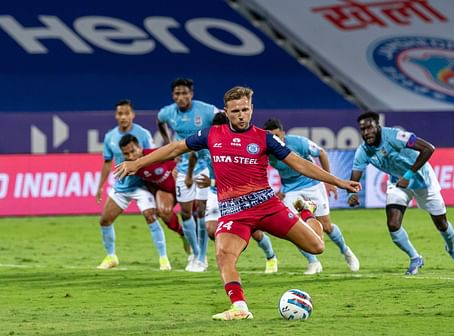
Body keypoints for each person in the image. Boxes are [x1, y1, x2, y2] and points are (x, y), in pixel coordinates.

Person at [114, 86, 361, 320]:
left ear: (251, 108)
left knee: (317, 247)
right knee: (224, 255)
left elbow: (299, 163)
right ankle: (239, 307)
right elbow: (175, 148)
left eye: (245, 109)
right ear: (226, 112)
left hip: (266, 207)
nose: (241, 115)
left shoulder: (265, 139)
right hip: (234, 213)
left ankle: (307, 213)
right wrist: (137, 164)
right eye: (235, 111)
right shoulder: (212, 134)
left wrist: (337, 181)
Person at [348, 111, 454, 275]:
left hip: (422, 180)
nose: (366, 133)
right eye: (362, 130)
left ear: (378, 126)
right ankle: (415, 258)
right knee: (393, 224)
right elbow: (355, 177)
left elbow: (428, 149)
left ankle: (452, 249)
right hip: (398, 183)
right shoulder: (363, 151)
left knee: (441, 223)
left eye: (370, 128)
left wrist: (408, 175)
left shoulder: (395, 136)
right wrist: (351, 194)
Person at [263, 118, 360, 274]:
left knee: (327, 226)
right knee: (294, 228)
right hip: (291, 190)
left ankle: (346, 251)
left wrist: (329, 181)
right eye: (271, 136)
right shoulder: (266, 151)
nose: (274, 139)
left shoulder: (298, 142)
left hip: (312, 184)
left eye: (276, 135)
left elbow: (321, 152)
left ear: (283, 133)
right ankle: (313, 262)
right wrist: (279, 190)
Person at [197, 112, 279, 274]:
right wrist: (183, 172)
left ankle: (270, 256)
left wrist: (211, 181)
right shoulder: (207, 142)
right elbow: (192, 156)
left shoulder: (237, 145)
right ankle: (221, 257)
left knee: (255, 232)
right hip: (217, 194)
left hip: (239, 195)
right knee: (211, 229)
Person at [95, 99, 169, 271]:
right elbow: (107, 163)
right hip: (122, 186)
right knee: (105, 221)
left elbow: (153, 157)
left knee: (151, 216)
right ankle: (111, 256)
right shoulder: (110, 137)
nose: (123, 117)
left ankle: (164, 259)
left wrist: (158, 187)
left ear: (132, 115)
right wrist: (100, 186)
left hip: (142, 185)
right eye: (120, 113)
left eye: (126, 113)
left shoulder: (142, 134)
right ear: (116, 115)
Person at [157, 78, 218, 272]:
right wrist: (168, 142)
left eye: (184, 93)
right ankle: (194, 252)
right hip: (183, 167)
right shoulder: (168, 113)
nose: (181, 97)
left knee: (200, 210)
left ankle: (202, 257)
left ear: (191, 94)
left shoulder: (207, 110)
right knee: (185, 212)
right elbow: (160, 121)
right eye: (177, 94)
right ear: (172, 96)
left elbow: (223, 121)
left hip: (204, 165)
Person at [119, 133, 192, 265]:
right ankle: (183, 234)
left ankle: (199, 248)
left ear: (140, 147)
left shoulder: (154, 154)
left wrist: (179, 166)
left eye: (132, 151)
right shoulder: (131, 167)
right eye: (126, 154)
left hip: (182, 185)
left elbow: (178, 154)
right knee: (163, 212)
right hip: (165, 191)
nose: (131, 156)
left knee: (195, 214)